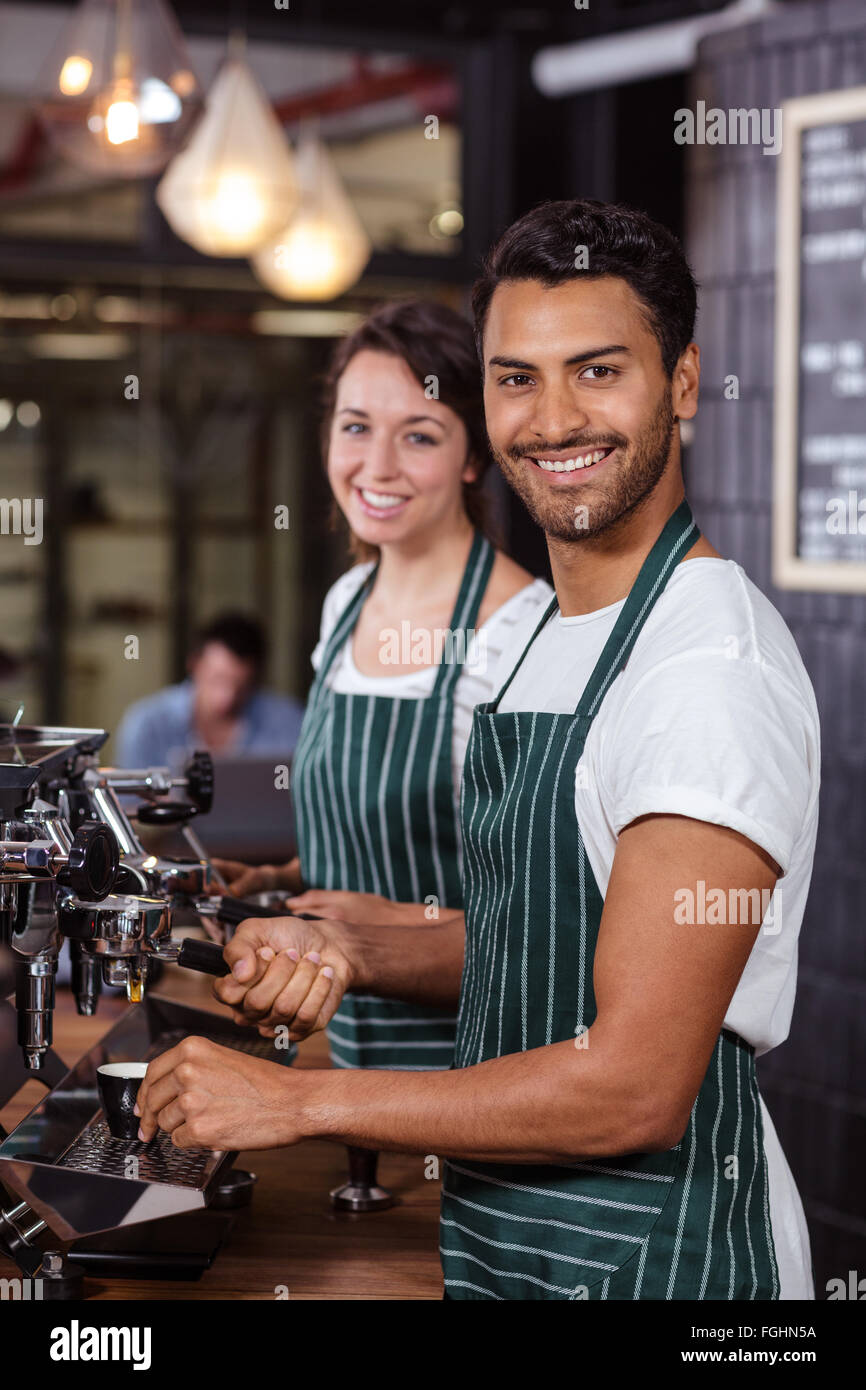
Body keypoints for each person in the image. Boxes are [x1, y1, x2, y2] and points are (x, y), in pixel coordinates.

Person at [138, 201, 819, 1301]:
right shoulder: (561, 630)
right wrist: (358, 947)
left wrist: (299, 1103)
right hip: (518, 1240)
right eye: (515, 377)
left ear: (683, 383)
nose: (550, 420)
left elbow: (633, 1085)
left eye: (597, 371)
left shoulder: (705, 673)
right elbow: (542, 946)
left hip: (664, 1258)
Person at [212, 299, 552, 1209]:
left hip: (464, 1097)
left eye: (421, 435)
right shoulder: (346, 603)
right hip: (328, 1058)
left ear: (475, 454)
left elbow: (550, 921)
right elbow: (380, 824)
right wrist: (281, 878)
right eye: (356, 427)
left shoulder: (519, 633)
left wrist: (383, 923)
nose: (377, 466)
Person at [115, 612, 304, 768]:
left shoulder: (288, 723)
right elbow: (129, 806)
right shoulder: (148, 724)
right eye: (217, 680)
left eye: (241, 686)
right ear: (193, 665)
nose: (228, 697)